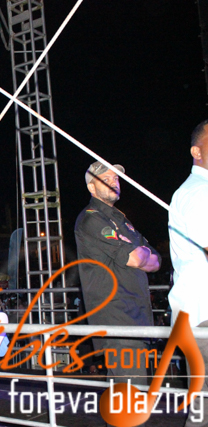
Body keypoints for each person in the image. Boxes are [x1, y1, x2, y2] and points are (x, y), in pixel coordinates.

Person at [75, 161, 160, 399]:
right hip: (118, 318)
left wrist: (142, 253)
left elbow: (156, 261)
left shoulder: (122, 220)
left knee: (125, 395)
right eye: (106, 178)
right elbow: (135, 257)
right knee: (131, 396)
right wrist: (140, 253)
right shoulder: (92, 219)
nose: (114, 182)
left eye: (116, 178)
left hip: (135, 316)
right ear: (92, 187)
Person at [168, 120, 208, 426]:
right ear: (197, 151)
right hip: (202, 313)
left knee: (202, 403)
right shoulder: (199, 192)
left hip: (195, 314)